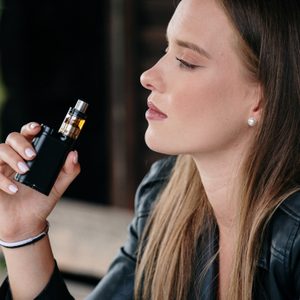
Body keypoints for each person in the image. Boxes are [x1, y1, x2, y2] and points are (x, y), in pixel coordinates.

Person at [0, 0, 299, 299]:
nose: (148, 76)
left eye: (186, 61)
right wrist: (22, 232)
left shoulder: (294, 238)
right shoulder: (164, 198)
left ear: (259, 99)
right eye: (166, 50)